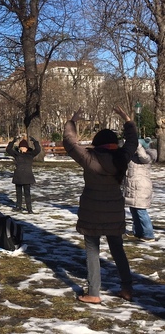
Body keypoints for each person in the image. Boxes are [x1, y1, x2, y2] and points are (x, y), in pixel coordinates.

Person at [63, 106, 138, 304]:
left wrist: (73, 121)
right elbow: (132, 142)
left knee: (92, 251)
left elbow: (70, 143)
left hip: (92, 212)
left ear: (97, 144)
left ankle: (94, 292)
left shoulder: (89, 158)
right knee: (118, 249)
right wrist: (128, 120)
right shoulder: (122, 158)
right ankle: (127, 288)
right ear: (114, 143)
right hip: (114, 211)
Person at [123, 138, 157, 242]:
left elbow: (143, 156)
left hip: (141, 187)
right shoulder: (132, 157)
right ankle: (138, 232)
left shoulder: (147, 156)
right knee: (134, 210)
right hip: (132, 187)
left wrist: (137, 145)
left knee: (141, 211)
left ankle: (148, 234)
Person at [6, 136, 41, 214]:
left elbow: (38, 150)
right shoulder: (17, 154)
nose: (23, 148)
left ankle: (29, 209)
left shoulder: (30, 154)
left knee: (27, 193)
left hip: (27, 176)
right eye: (21, 147)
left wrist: (35, 142)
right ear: (19, 148)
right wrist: (12, 142)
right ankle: (18, 207)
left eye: (24, 147)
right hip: (18, 176)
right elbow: (8, 150)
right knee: (18, 193)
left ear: (27, 148)